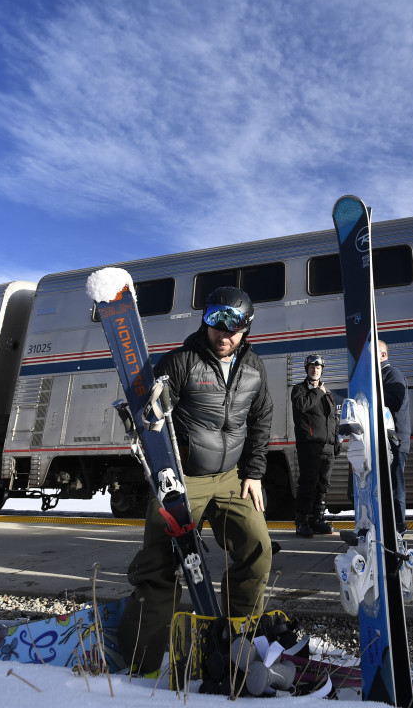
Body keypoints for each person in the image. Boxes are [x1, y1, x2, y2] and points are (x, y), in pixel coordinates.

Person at [116, 286, 275, 675]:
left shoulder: (254, 367)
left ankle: (241, 637)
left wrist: (253, 474)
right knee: (157, 562)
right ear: (204, 321)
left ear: (247, 328)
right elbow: (150, 414)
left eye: (233, 327)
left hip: (232, 478)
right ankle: (145, 659)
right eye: (215, 323)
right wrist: (152, 407)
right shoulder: (182, 360)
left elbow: (262, 420)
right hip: (184, 479)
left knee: (258, 547)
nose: (223, 334)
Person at [290, 354, 339, 538]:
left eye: (318, 367)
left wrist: (336, 441)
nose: (315, 369)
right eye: (312, 367)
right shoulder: (299, 389)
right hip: (309, 445)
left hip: (327, 446)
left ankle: (316, 518)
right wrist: (318, 391)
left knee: (323, 485)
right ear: (307, 369)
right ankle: (302, 521)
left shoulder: (328, 394)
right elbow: (302, 406)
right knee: (308, 484)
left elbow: (333, 418)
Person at [378, 340, 411, 535]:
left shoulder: (391, 374)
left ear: (383, 355)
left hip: (395, 441)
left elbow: (395, 401)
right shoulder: (379, 375)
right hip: (386, 441)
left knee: (395, 486)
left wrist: (373, 394)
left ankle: (398, 526)